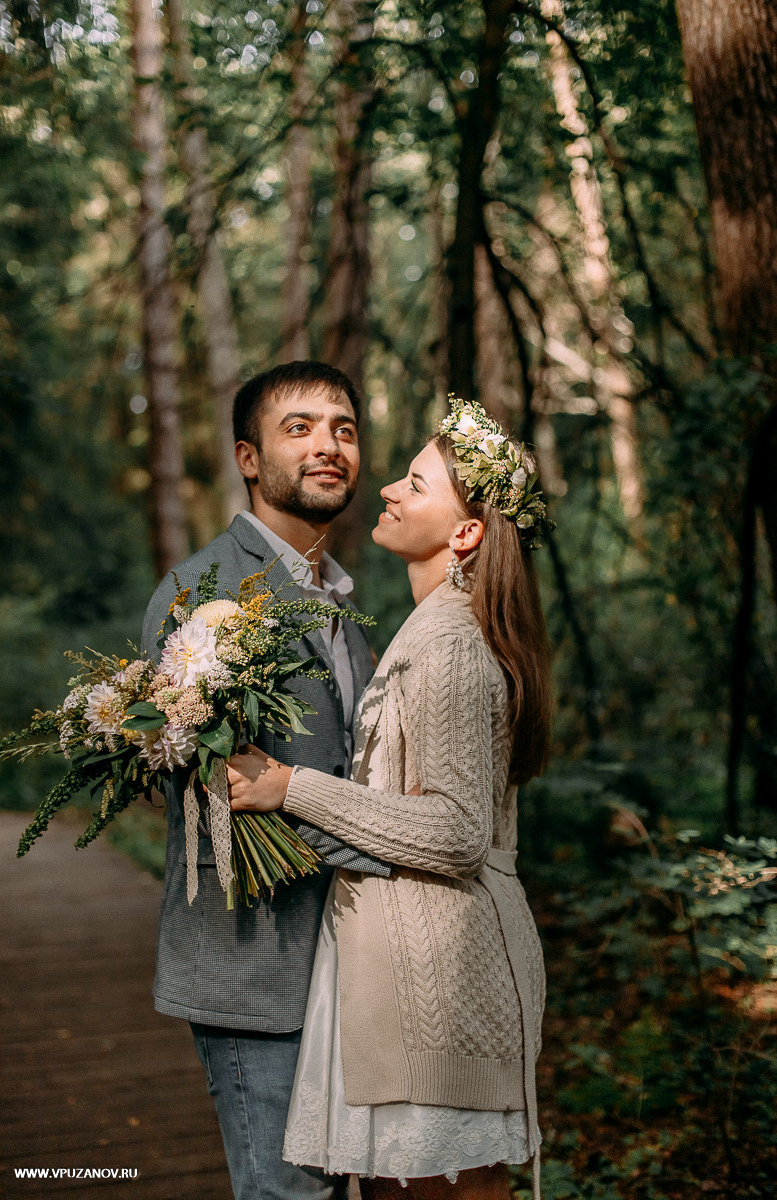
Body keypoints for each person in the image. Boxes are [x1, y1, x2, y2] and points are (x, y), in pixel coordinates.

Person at [226, 397, 553, 1199]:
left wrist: (288, 786)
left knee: (449, 1188)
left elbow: (454, 831)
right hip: (408, 962)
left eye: (416, 483)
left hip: (438, 973)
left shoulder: (447, 646)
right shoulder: (428, 630)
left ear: (466, 532)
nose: (390, 493)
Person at [141, 361, 391, 1200]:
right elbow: (212, 781)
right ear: (249, 458)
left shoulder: (342, 606)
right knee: (286, 1192)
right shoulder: (200, 593)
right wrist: (381, 843)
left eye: (344, 429)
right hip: (254, 963)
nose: (329, 445)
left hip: (345, 956)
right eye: (301, 428)